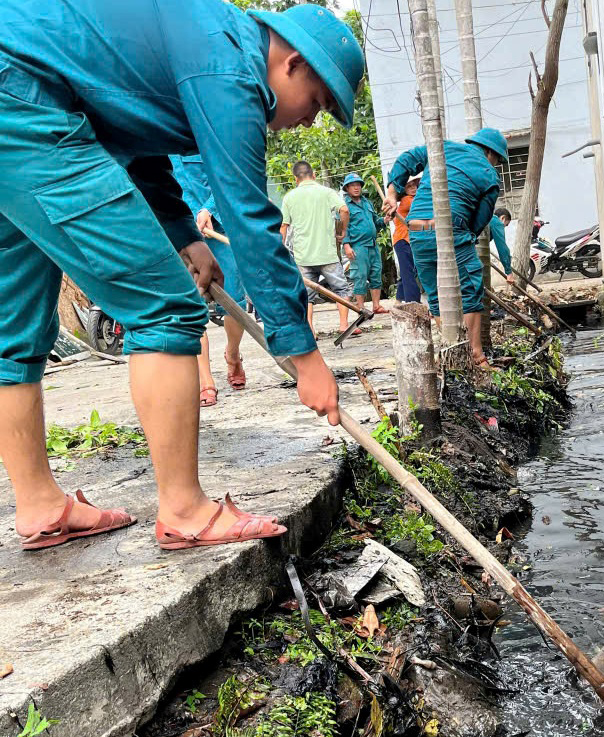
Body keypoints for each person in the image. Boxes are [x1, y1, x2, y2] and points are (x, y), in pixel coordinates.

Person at [0, 1, 364, 550]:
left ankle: (40, 506)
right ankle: (186, 511)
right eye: (317, 102)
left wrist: (185, 237)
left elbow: (135, 144)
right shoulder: (228, 69)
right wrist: (305, 359)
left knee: (15, 329)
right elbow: (250, 221)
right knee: (166, 306)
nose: (309, 120)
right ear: (291, 63)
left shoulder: (206, 42)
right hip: (24, 101)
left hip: (23, 94)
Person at [384, 128, 506, 368]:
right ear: (491, 153)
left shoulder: (442, 148)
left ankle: (453, 352)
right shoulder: (489, 175)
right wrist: (466, 237)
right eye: (498, 160)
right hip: (452, 229)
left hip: (416, 231)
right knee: (471, 289)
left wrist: (392, 193)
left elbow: (406, 160)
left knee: (436, 296)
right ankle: (476, 357)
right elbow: (480, 220)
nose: (496, 164)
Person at [171, 155, 249, 407]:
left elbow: (229, 173)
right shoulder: (155, 140)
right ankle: (205, 380)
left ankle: (233, 354)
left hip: (218, 228)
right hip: (179, 232)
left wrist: (209, 209)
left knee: (234, 303)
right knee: (192, 304)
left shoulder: (204, 132)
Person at [280, 161, 356, 338]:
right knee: (341, 290)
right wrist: (343, 231)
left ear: (295, 178)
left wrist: (280, 250)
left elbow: (283, 226)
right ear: (313, 175)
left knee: (306, 295)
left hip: (302, 255)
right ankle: (344, 326)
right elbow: (344, 210)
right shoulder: (326, 192)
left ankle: (310, 330)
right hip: (327, 254)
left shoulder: (290, 197)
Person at [341, 172, 389, 314]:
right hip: (358, 246)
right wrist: (347, 245)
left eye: (358, 185)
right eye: (352, 186)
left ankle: (376, 305)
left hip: (372, 245)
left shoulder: (367, 203)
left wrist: (385, 220)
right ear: (347, 188)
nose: (356, 188)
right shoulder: (344, 206)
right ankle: (361, 308)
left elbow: (375, 221)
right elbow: (343, 228)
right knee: (360, 276)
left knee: (376, 273)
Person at [391, 176, 422, 303]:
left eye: (414, 185)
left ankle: (399, 300)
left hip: (405, 240)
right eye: (409, 186)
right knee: (409, 272)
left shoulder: (411, 200)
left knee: (408, 270)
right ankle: (413, 302)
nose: (413, 188)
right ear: (404, 189)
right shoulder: (409, 200)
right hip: (403, 240)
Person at [490, 207, 515, 285]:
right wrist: (509, 272)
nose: (503, 227)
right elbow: (502, 248)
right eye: (505, 225)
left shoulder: (488, 219)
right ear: (502, 218)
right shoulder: (497, 222)